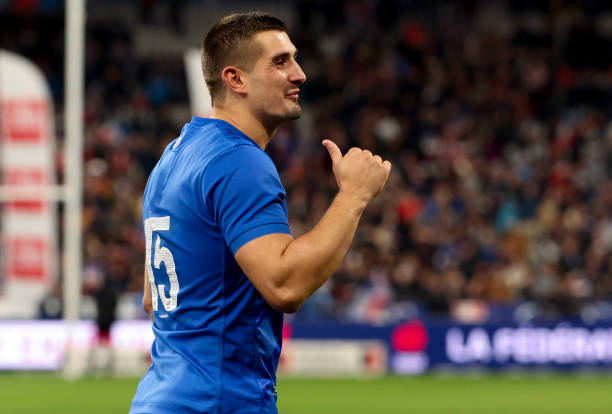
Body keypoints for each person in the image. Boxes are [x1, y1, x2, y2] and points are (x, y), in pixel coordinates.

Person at [129, 12, 391, 414]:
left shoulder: (173, 157)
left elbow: (153, 299)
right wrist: (353, 196)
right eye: (280, 61)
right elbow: (284, 286)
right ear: (236, 79)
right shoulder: (238, 160)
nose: (300, 74)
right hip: (219, 402)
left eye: (295, 58)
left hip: (160, 397)